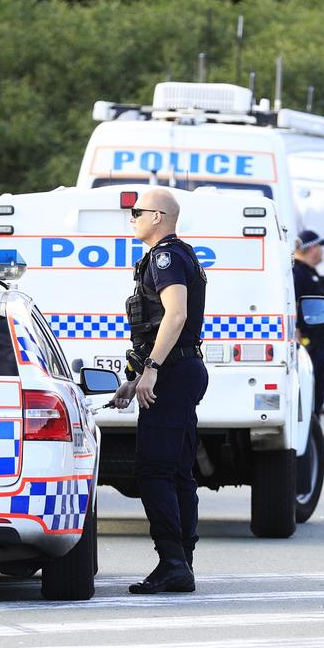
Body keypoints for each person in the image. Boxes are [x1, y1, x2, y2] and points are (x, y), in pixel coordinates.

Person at [110, 188, 209, 594]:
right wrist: (135, 380)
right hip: (182, 370)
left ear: (159, 216)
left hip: (172, 372)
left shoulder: (166, 256)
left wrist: (151, 369)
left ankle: (172, 562)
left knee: (153, 472)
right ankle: (180, 561)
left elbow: (177, 313)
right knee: (178, 472)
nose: (131, 218)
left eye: (137, 212)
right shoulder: (177, 254)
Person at [292, 230, 324, 473]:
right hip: (307, 350)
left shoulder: (312, 275)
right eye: (320, 246)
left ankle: (315, 456)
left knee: (316, 405)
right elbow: (294, 310)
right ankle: (308, 459)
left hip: (318, 350)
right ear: (312, 248)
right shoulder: (297, 273)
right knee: (308, 407)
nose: (321, 251)